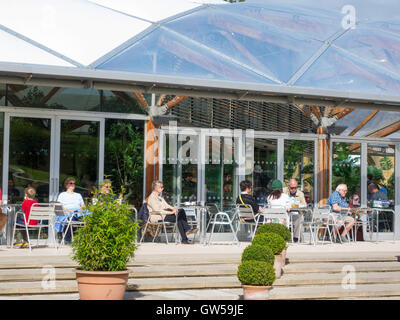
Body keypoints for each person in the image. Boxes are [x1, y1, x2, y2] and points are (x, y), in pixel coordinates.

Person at [147, 180, 198, 245]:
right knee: (179, 216)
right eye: (161, 187)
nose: (163, 188)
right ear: (156, 188)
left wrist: (174, 209)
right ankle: (186, 232)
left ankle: (186, 235)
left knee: (181, 211)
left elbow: (167, 205)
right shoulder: (152, 197)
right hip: (158, 216)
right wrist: (171, 213)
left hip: (164, 215)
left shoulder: (159, 197)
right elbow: (158, 210)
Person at [55, 177, 86, 244]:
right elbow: (58, 206)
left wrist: (81, 208)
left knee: (87, 217)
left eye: (74, 183)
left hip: (78, 212)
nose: (73, 184)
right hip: (67, 212)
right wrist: (68, 210)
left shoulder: (78, 195)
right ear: (66, 185)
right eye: (71, 183)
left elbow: (83, 206)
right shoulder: (62, 195)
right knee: (70, 219)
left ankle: (82, 239)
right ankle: (67, 239)